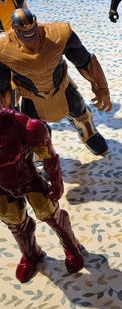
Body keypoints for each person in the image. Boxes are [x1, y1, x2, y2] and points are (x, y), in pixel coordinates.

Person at [0, 8, 112, 156]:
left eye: (32, 30)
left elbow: (85, 61)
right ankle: (42, 151)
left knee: (81, 113)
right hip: (31, 95)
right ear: (15, 29)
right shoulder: (3, 48)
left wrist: (101, 87)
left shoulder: (57, 34)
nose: (30, 35)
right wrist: (6, 112)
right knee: (34, 129)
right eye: (24, 32)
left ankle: (89, 135)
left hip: (62, 87)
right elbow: (3, 84)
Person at [0, 107, 84, 283]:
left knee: (50, 214)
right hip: (2, 188)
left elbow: (49, 157)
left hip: (29, 180)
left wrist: (57, 183)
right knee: (15, 223)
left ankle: (71, 246)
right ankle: (31, 255)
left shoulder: (27, 126)